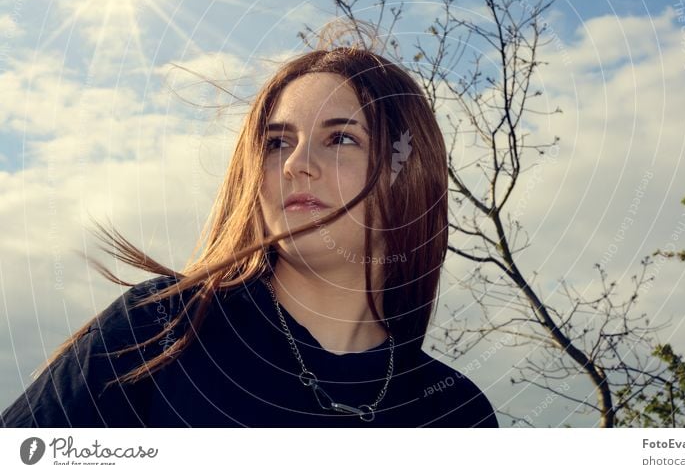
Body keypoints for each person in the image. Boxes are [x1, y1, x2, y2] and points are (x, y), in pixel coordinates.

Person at [1, 30, 499, 428]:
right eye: (278, 143)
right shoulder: (161, 328)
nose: (297, 164)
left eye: (341, 138)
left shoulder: (455, 414)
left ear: (406, 172)